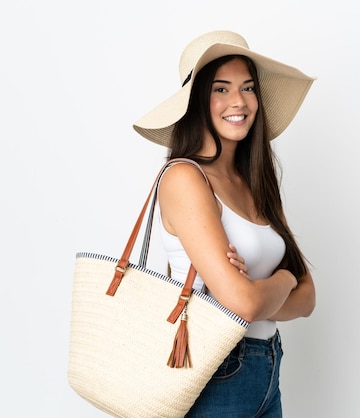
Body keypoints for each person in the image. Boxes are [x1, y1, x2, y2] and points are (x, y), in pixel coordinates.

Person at [133, 30, 316, 417]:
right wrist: (281, 282)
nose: (238, 101)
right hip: (217, 372)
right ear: (197, 100)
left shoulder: (254, 180)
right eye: (221, 89)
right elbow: (245, 304)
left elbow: (308, 298)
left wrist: (259, 290)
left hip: (267, 364)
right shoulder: (185, 178)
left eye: (248, 88)